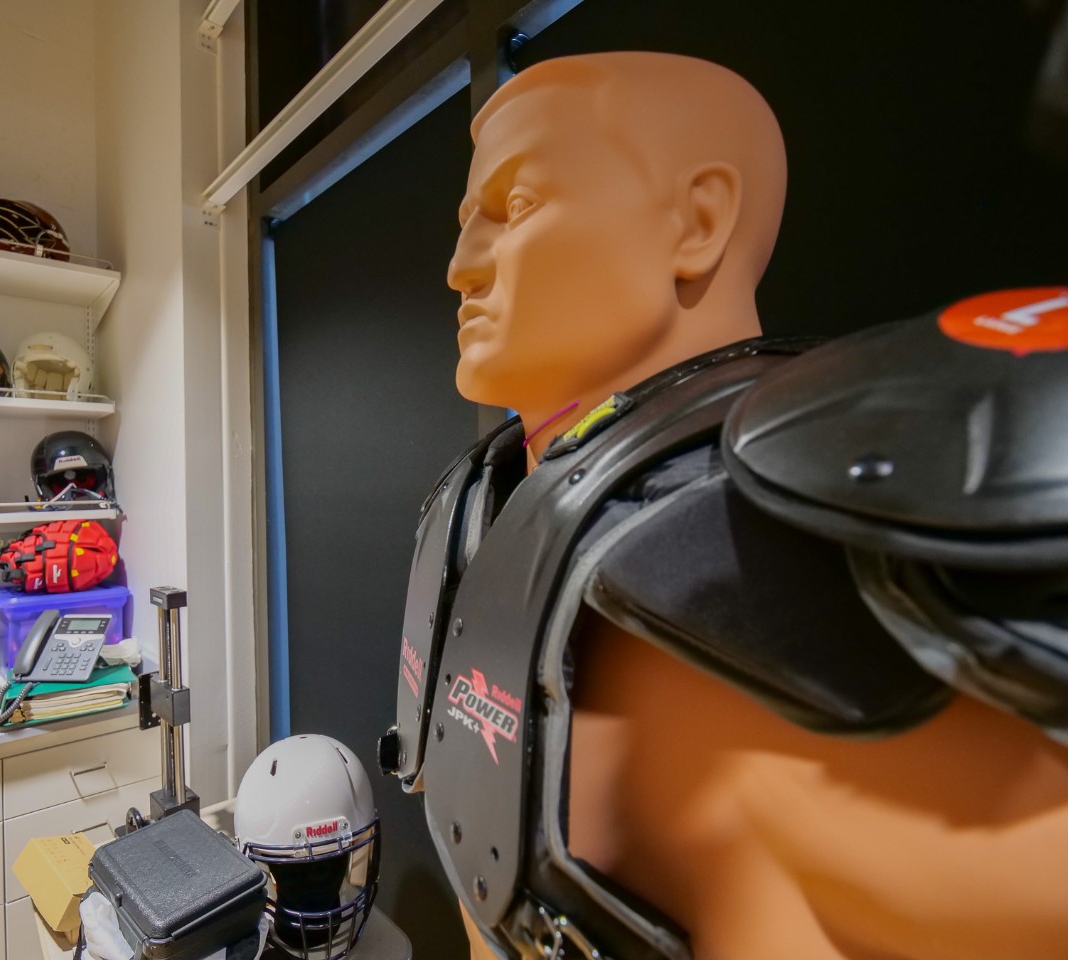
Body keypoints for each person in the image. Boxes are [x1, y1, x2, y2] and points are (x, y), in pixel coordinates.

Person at [387, 52, 1068, 960]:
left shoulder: (777, 573)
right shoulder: (476, 507)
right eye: (467, 220)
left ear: (697, 223)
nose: (459, 268)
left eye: (514, 209)